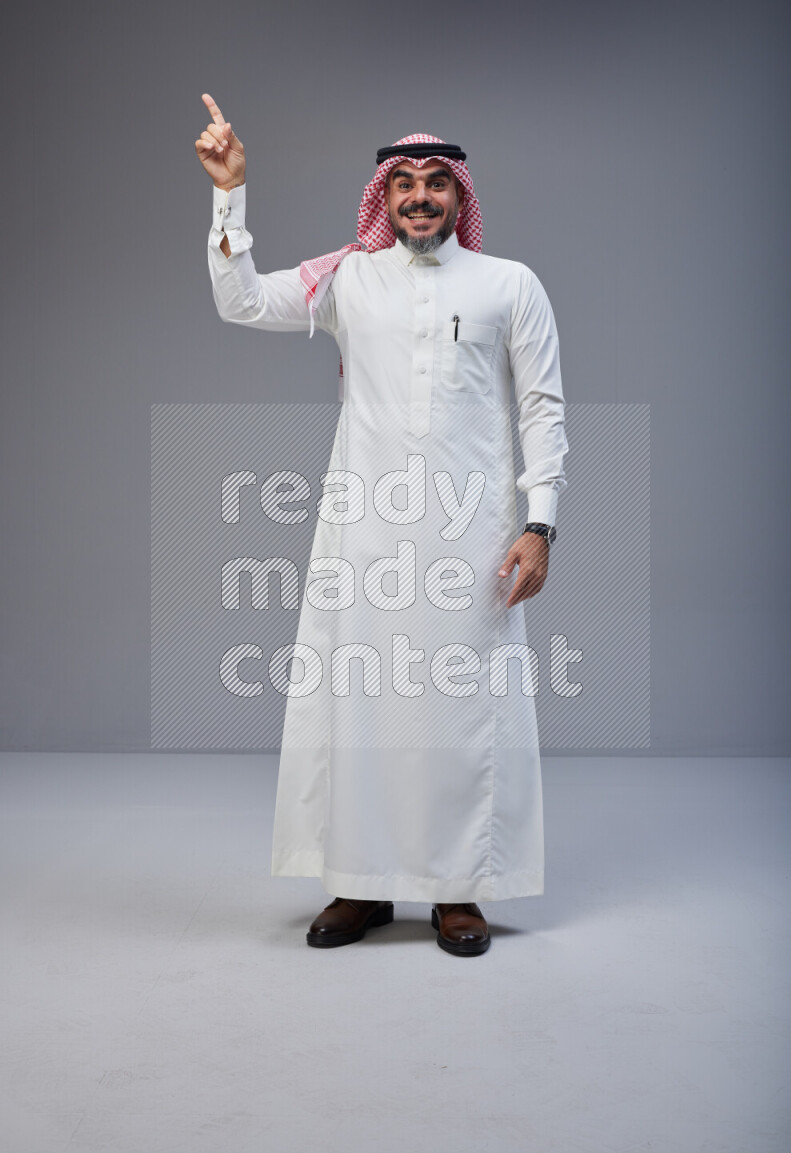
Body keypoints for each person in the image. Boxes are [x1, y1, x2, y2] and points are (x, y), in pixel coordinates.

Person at [196, 93, 568, 957]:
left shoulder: (511, 285)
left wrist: (540, 525)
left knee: (459, 707)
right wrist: (230, 194)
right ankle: (359, 884)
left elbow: (544, 411)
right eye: (403, 184)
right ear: (382, 198)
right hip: (361, 536)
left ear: (459, 196)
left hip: (472, 540)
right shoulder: (346, 280)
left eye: (437, 183)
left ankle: (456, 889)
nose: (420, 198)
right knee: (358, 704)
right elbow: (242, 302)